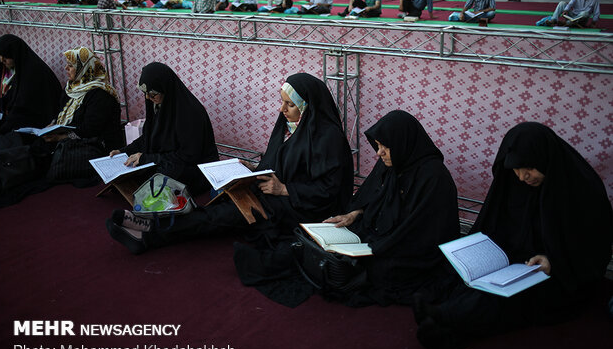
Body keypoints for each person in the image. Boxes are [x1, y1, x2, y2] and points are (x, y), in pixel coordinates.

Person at [414, 122, 613, 349]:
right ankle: (445, 327)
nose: (522, 177)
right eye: (516, 169)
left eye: (528, 168)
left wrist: (553, 260)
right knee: (476, 279)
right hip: (521, 262)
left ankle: (445, 318)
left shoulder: (582, 189)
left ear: (545, 158)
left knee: (513, 296)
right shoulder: (516, 181)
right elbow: (500, 226)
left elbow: (594, 248)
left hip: (564, 275)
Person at [106, 73, 354, 255]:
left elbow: (331, 191)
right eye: (282, 102)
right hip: (273, 192)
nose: (282, 109)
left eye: (290, 104)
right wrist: (248, 175)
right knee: (223, 201)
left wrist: (285, 189)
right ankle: (150, 222)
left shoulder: (328, 138)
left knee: (225, 214)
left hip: (302, 205)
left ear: (308, 107)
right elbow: (274, 164)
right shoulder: (288, 127)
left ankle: (149, 234)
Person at [322, 111, 460, 306]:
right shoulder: (393, 163)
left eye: (385, 147)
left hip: (413, 246)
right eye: (378, 146)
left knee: (383, 269)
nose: (379, 153)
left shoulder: (433, 178)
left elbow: (421, 231)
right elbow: (372, 196)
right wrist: (355, 213)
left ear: (403, 143)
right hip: (383, 232)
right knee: (338, 241)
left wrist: (376, 248)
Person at [108, 62, 218, 196]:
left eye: (153, 94)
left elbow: (188, 156)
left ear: (166, 88)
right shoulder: (161, 105)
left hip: (193, 167)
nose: (148, 98)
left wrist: (147, 158)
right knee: (135, 167)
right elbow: (148, 137)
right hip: (168, 160)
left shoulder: (190, 113)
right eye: (145, 93)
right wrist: (123, 151)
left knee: (160, 174)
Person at [0, 35, 62, 135]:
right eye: (0, 55)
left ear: (15, 54)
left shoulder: (33, 73)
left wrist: (4, 127)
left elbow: (23, 109)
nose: (1, 60)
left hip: (38, 122)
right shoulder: (22, 70)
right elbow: (11, 95)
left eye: (6, 56)